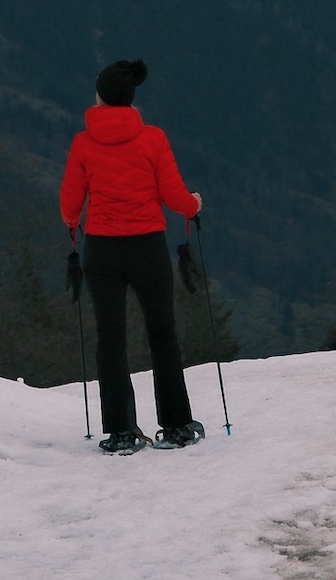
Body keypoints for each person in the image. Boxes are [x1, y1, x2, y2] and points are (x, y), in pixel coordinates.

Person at [60, 58, 206, 454]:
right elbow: (173, 195)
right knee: (162, 334)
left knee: (110, 338)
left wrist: (74, 224)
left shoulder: (83, 143)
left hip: (102, 249)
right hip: (147, 248)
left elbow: (69, 205)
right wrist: (192, 205)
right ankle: (176, 425)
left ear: (102, 98)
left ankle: (121, 431)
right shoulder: (153, 139)